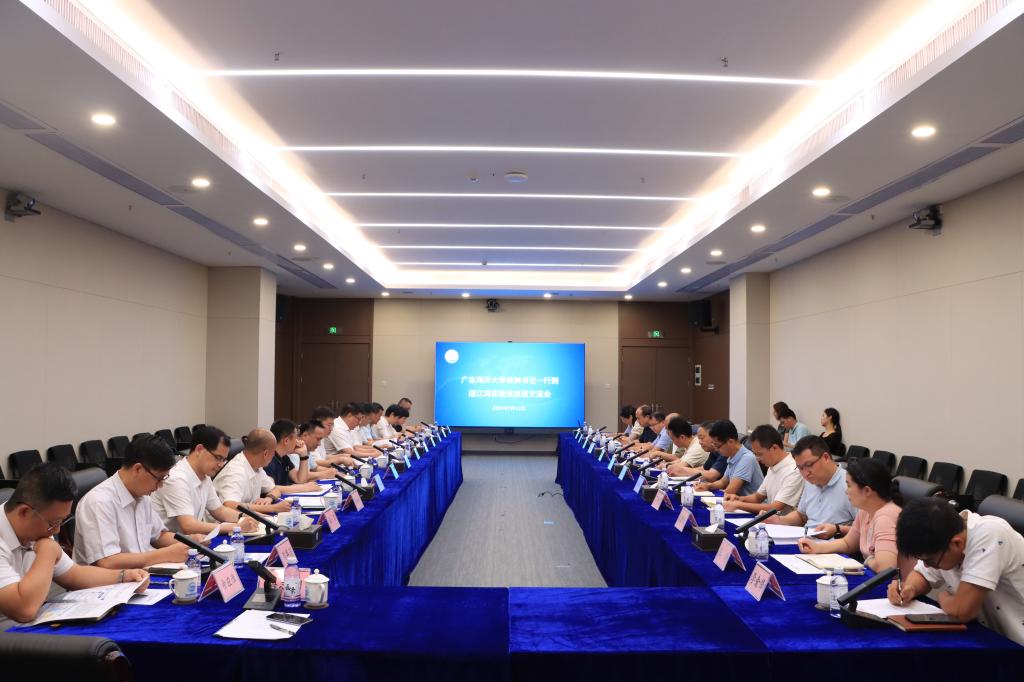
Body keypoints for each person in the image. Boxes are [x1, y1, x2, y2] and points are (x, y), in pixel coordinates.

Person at [0, 463, 149, 629]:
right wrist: (47, 554)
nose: (56, 530)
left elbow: (74, 574)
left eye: (61, 522)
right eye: (53, 523)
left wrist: (123, 576)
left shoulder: (38, 528)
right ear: (24, 512)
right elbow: (24, 610)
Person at [888, 497, 1024, 645]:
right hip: (992, 636)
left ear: (957, 544)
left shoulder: (990, 534)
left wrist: (942, 596)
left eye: (930, 561)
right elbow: (922, 574)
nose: (926, 566)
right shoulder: (944, 535)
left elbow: (962, 612)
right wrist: (909, 588)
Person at [73, 435, 192, 568]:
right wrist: (165, 554)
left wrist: (192, 542)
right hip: (112, 579)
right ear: (137, 469)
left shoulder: (142, 495)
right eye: (159, 478)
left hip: (141, 574)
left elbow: (159, 536)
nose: (160, 485)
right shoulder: (99, 502)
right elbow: (107, 561)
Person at [797, 457, 901, 572]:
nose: (846, 491)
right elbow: (848, 543)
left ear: (867, 491)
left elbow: (885, 568)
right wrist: (817, 547)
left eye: (849, 485)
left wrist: (867, 561)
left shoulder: (885, 517)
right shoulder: (865, 511)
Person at [151, 426, 258, 536]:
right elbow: (188, 526)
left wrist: (247, 517)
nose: (221, 465)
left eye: (224, 460)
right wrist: (237, 527)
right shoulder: (176, 479)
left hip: (191, 541)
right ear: (199, 450)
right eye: (218, 458)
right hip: (169, 543)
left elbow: (220, 511)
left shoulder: (204, 476)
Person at [214, 428, 315, 513]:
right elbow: (230, 505)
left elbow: (274, 489)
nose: (273, 456)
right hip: (222, 526)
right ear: (266, 453)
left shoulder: (256, 466)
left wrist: (269, 498)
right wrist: (272, 508)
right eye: (273, 453)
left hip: (247, 519)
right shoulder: (236, 472)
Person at [765, 435, 856, 529]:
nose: (805, 473)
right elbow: (801, 516)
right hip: (806, 535)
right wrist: (779, 520)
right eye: (800, 468)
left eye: (809, 465)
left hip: (834, 537)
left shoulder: (850, 484)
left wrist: (837, 529)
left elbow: (862, 530)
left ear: (826, 457)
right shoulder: (811, 481)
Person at [722, 425, 804, 515]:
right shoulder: (773, 466)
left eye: (759, 454)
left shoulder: (794, 471)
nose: (757, 459)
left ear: (774, 448)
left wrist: (738, 505)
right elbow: (757, 497)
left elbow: (775, 507)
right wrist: (738, 499)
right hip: (770, 519)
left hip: (784, 522)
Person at [694, 420, 763, 496]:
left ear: (730, 442)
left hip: (751, 503)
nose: (716, 450)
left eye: (718, 446)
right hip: (739, 501)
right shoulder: (732, 456)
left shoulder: (747, 458)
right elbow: (723, 482)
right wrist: (708, 486)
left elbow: (730, 491)